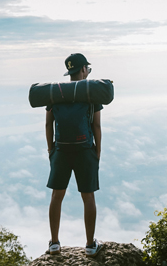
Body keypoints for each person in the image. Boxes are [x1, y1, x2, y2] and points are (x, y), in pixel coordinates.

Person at [45, 53, 103, 257]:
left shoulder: (56, 92)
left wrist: (51, 149)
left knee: (56, 196)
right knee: (88, 197)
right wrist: (97, 151)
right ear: (83, 70)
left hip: (61, 150)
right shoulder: (91, 93)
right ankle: (90, 245)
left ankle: (54, 243)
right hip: (84, 150)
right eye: (87, 68)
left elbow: (48, 123)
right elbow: (96, 125)